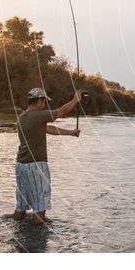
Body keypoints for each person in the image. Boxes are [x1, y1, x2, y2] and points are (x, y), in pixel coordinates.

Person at [13, 87, 81, 225]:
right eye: (44, 102)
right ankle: (36, 242)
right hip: (36, 166)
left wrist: (71, 132)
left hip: (20, 166)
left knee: (21, 205)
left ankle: (18, 232)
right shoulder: (40, 115)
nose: (44, 105)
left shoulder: (22, 118)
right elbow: (62, 111)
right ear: (39, 100)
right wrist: (75, 100)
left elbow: (49, 129)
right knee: (40, 208)